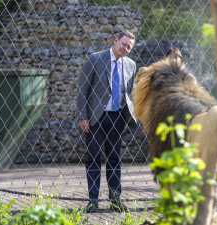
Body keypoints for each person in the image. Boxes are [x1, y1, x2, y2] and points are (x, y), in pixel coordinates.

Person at [77, 31, 136, 212]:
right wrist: (83, 116)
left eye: (129, 47)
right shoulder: (95, 59)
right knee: (93, 159)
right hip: (96, 117)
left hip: (117, 117)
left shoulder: (131, 65)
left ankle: (115, 200)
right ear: (115, 40)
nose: (125, 49)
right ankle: (93, 201)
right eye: (123, 44)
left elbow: (130, 92)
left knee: (114, 159)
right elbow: (82, 90)